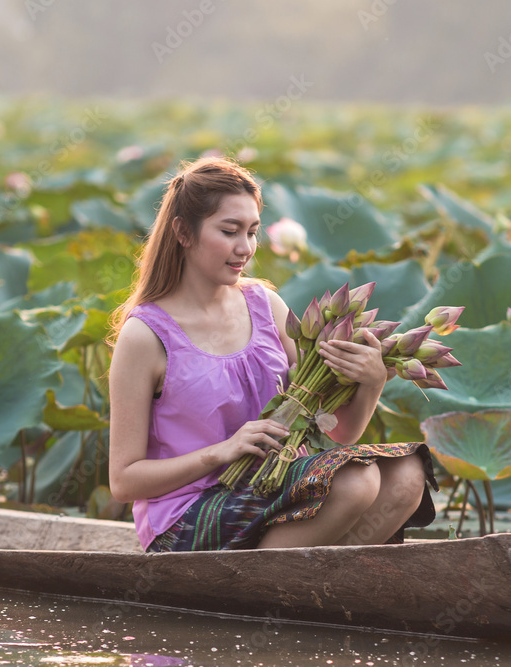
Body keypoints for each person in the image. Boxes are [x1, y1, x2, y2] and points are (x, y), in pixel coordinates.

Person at [107, 156, 436, 552]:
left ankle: (306, 586)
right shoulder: (145, 336)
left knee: (406, 472)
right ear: (182, 231)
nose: (244, 248)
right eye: (229, 231)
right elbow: (124, 482)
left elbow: (338, 431)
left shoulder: (266, 306)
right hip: (186, 518)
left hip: (271, 485)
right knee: (353, 480)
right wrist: (221, 452)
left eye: (252, 231)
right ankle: (281, 587)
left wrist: (372, 381)